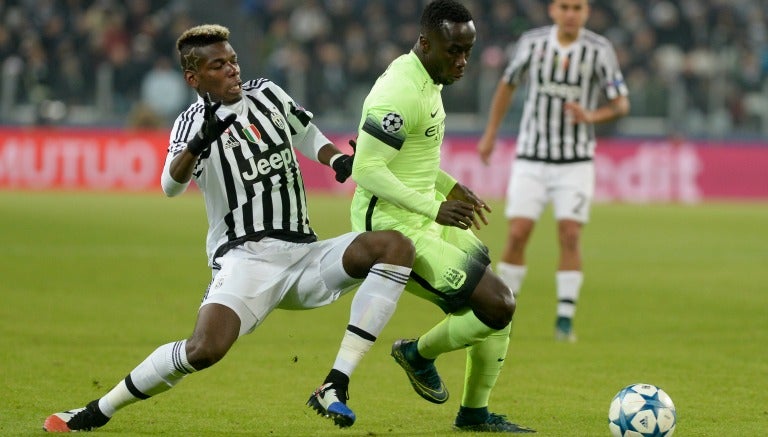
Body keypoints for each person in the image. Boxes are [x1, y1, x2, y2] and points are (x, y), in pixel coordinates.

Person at [43, 24, 415, 432]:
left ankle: (335, 383)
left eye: (233, 60)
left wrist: (336, 160)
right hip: (246, 257)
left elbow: (306, 133)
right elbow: (170, 185)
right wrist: (200, 141)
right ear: (194, 77)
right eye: (218, 65)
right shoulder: (189, 124)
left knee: (395, 247)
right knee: (203, 349)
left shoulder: (268, 93)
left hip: (306, 254)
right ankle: (97, 411)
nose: (232, 70)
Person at [349, 1, 535, 433]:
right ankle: (416, 353)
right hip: (391, 232)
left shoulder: (428, 80)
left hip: (421, 217)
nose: (462, 61)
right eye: (454, 51)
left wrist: (445, 183)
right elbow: (367, 169)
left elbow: (409, 159)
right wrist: (435, 206)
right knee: (496, 305)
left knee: (498, 303)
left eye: (467, 50)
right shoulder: (399, 91)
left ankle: (473, 414)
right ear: (425, 43)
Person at [477, 0, 630, 342]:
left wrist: (592, 116)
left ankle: (564, 319)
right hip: (531, 157)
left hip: (575, 162)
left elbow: (621, 103)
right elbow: (507, 84)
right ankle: (503, 311)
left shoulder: (598, 50)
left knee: (570, 235)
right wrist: (490, 134)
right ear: (553, 11)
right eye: (565, 6)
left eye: (578, 7)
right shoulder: (532, 43)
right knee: (517, 233)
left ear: (586, 12)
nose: (571, 13)